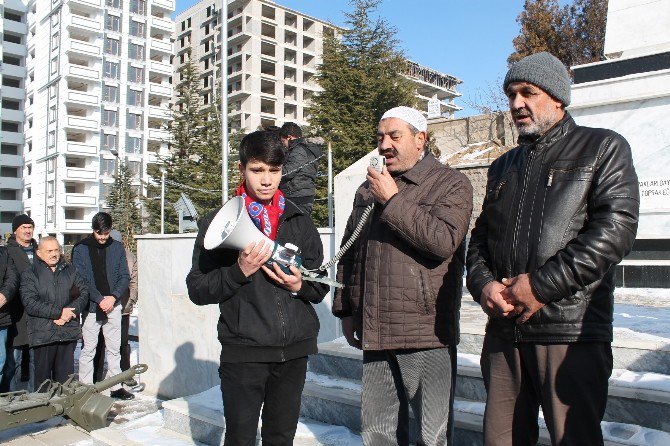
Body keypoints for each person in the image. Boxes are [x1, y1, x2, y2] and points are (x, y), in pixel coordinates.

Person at [466, 52, 640, 446]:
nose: (516, 104)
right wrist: (484, 286)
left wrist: (540, 288)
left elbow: (615, 230)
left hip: (570, 330)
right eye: (511, 94)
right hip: (505, 332)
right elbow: (479, 239)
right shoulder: (503, 166)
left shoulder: (602, 148)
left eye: (528, 92)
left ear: (558, 96)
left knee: (573, 437)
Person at [332, 106, 473, 446]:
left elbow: (442, 242)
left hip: (424, 333)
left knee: (431, 434)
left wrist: (392, 200)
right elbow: (350, 254)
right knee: (378, 433)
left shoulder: (450, 183)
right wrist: (346, 310)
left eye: (395, 136)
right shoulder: (368, 191)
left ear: (420, 139)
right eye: (381, 137)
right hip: (376, 329)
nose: (385, 145)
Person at [187, 130, 329, 446]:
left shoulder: (299, 220)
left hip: (294, 352)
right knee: (240, 438)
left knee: (281, 437)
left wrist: (300, 285)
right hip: (244, 353)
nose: (266, 180)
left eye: (274, 171)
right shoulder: (217, 223)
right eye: (257, 170)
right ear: (242, 170)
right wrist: (239, 272)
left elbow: (320, 286)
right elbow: (197, 289)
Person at [72, 212, 132, 400]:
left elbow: (124, 276)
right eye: (99, 233)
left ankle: (115, 386)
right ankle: (85, 387)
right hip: (92, 306)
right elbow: (81, 279)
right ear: (93, 230)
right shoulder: (80, 249)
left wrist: (113, 297)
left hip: (113, 305)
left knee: (114, 349)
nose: (103, 237)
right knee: (89, 348)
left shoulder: (117, 247)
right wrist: (100, 299)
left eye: (106, 233)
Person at [20, 237, 88, 386]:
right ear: (39, 253)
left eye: (56, 250)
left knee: (66, 384)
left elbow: (83, 294)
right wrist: (58, 313)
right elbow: (30, 302)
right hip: (43, 335)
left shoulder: (71, 270)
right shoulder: (30, 273)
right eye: (49, 251)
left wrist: (69, 313)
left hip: (67, 332)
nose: (54, 254)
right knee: (43, 385)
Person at [92, 230, 139, 386]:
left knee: (122, 342)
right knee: (99, 342)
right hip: (100, 306)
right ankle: (96, 377)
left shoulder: (130, 257)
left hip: (122, 307)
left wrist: (130, 301)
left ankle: (125, 374)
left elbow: (133, 283)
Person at [3, 214, 38, 391]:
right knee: (12, 361)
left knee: (34, 361)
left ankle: (33, 398)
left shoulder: (40, 250)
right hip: (16, 313)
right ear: (15, 230)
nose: (27, 230)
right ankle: (11, 396)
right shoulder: (8, 251)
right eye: (23, 227)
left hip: (37, 313)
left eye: (30, 226)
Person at [278, 122, 322, 215]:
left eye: (283, 141)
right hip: (301, 195)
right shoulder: (306, 148)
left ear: (289, 137)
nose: (284, 145)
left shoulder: (298, 150)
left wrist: (273, 172)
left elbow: (288, 172)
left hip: (296, 197)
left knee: (293, 227)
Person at [0, 239, 18, 390]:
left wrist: (4, 296)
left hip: (1, 317)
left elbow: (12, 279)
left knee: (0, 361)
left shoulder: (4, 254)